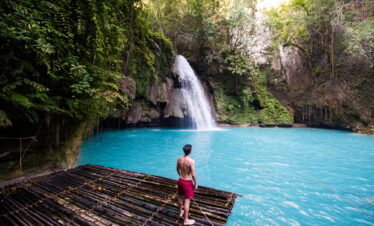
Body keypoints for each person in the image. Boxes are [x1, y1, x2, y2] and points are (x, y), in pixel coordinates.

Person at [176, 144, 198, 225]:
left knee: (180, 197)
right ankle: (186, 220)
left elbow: (177, 169)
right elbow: (193, 174)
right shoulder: (191, 161)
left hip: (181, 180)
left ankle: (180, 212)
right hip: (187, 182)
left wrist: (181, 175)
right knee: (187, 201)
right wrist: (195, 183)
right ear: (190, 151)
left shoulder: (179, 159)